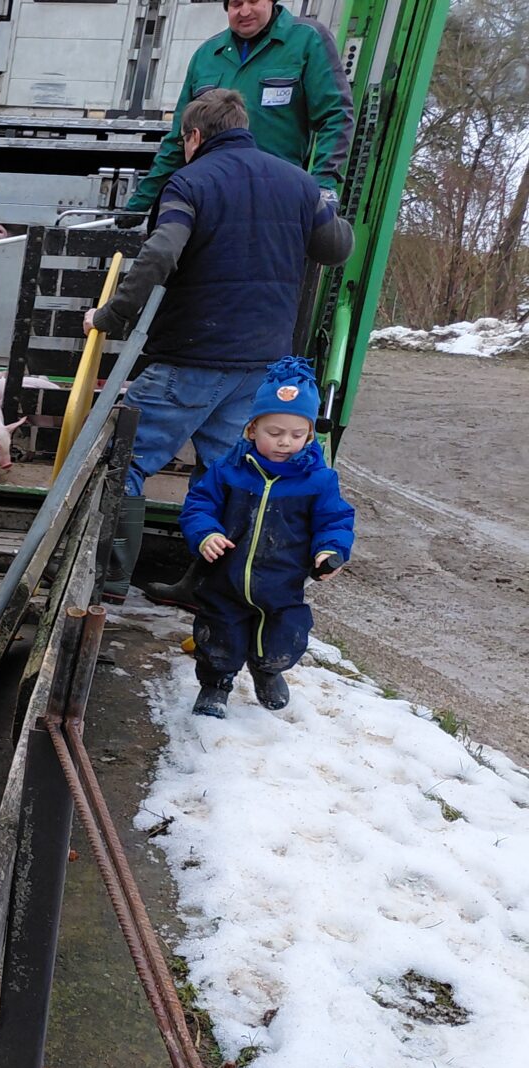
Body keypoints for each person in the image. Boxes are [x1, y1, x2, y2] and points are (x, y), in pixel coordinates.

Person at [84, 88, 352, 600]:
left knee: (124, 459)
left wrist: (111, 316)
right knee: (231, 474)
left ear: (194, 136)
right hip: (261, 369)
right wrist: (325, 203)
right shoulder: (298, 183)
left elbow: (161, 251)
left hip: (190, 358)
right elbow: (335, 249)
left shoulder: (190, 181)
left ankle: (108, 579)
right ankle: (207, 586)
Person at [174, 356, 354, 719]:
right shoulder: (229, 471)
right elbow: (199, 505)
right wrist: (206, 533)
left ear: (309, 433)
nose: (286, 442)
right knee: (218, 636)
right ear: (252, 429)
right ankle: (215, 685)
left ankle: (268, 670)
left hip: (283, 582)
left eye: (297, 434)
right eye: (275, 432)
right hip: (226, 578)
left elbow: (334, 520)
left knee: (283, 638)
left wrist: (330, 550)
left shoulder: (318, 481)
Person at [124, 0, 353, 214]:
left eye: (253, 1)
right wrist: (141, 202)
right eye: (236, 4)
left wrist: (323, 185)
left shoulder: (307, 40)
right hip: (210, 200)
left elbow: (335, 116)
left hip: (274, 200)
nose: (244, 11)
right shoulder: (207, 56)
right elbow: (179, 137)